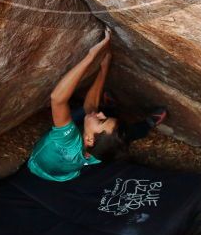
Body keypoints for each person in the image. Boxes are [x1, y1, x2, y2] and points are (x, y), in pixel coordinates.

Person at [27, 27, 168, 182]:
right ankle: (145, 125)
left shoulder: (66, 141)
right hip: (64, 174)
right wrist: (104, 67)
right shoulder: (100, 153)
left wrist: (91, 56)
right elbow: (93, 109)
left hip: (39, 162)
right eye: (104, 117)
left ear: (88, 140)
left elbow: (57, 99)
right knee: (120, 137)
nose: (100, 115)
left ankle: (118, 113)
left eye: (102, 120)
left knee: (92, 118)